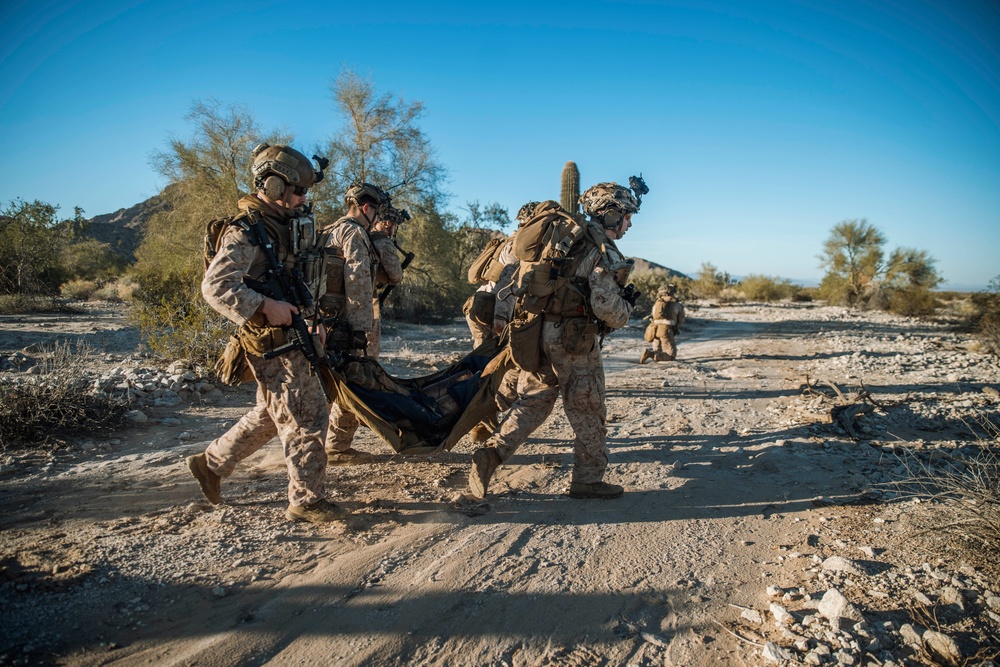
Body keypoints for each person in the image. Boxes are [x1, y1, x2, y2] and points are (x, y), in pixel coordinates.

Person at [187, 143, 346, 523]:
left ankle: (210, 465)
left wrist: (313, 320)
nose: (303, 198)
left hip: (293, 333)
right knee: (307, 417)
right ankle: (307, 502)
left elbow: (297, 280)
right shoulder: (245, 232)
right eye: (299, 190)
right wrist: (263, 306)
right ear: (275, 186)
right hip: (270, 341)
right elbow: (215, 287)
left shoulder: (282, 226)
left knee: (272, 412)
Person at [468, 182, 644, 500]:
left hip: (538, 333)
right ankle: (588, 480)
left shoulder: (562, 237)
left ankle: (490, 456)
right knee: (588, 408)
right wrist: (626, 308)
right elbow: (606, 307)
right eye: (627, 216)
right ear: (610, 213)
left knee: (534, 401)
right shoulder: (601, 247)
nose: (629, 224)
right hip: (574, 341)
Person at [319, 182, 389, 466]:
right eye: (376, 211)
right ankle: (335, 446)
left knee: (324, 384)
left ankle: (314, 446)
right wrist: (361, 329)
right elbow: (358, 281)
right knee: (354, 381)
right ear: (366, 208)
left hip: (322, 320)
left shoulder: (327, 230)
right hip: (346, 322)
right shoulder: (355, 233)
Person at [464, 203, 536, 350]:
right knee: (486, 359)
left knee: (484, 356)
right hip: (489, 310)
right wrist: (501, 317)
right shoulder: (516, 248)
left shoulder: (512, 242)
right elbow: (508, 281)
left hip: (483, 307)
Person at [369, 205, 408, 360]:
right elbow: (396, 275)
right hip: (368, 299)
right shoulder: (383, 243)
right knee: (370, 347)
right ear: (388, 223)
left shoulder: (363, 235)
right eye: (394, 225)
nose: (394, 229)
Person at [640, 284, 686, 363]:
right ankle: (650, 354)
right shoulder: (676, 304)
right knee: (671, 356)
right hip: (666, 329)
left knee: (657, 348)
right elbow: (681, 319)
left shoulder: (658, 302)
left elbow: (654, 315)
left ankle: (653, 355)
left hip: (654, 328)